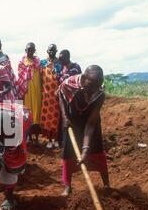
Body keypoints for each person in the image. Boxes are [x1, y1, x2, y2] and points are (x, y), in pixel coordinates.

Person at [58, 65, 110, 197]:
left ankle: (106, 185)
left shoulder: (99, 94)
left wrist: (85, 149)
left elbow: (91, 123)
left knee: (96, 148)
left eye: (96, 87)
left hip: (91, 122)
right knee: (69, 152)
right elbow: (60, 94)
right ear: (83, 78)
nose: (93, 91)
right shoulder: (69, 84)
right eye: (90, 86)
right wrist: (64, 116)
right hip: (72, 121)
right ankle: (68, 186)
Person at [17, 43, 42, 144]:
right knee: (28, 112)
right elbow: (20, 76)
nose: (30, 52)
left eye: (32, 50)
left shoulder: (38, 61)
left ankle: (36, 138)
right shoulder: (22, 62)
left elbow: (41, 75)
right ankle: (29, 137)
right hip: (26, 91)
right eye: (28, 50)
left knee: (37, 112)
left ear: (34, 50)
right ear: (25, 50)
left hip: (37, 90)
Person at [40, 44, 62, 149]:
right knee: (47, 118)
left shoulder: (59, 63)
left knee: (56, 117)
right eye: (50, 50)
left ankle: (56, 139)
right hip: (46, 94)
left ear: (56, 51)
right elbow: (40, 77)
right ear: (47, 51)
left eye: (53, 50)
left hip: (56, 94)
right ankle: (49, 139)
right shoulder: (43, 63)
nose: (52, 52)